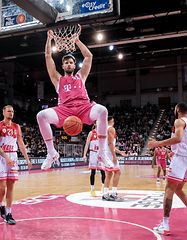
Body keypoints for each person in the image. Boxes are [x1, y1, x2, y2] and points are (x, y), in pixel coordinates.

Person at [37, 26, 110, 170]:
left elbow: (89, 56)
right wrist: (49, 39)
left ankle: (102, 152)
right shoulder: (57, 79)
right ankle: (51, 152)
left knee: (102, 111)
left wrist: (77, 41)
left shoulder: (81, 76)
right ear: (63, 66)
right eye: (66, 62)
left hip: (84, 107)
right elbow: (47, 57)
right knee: (41, 116)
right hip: (64, 110)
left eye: (71, 62)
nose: (69, 64)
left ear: (74, 65)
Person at [148, 102, 187, 236]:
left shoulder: (179, 121)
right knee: (178, 189)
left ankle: (165, 224)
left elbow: (178, 138)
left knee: (168, 189)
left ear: (178, 110)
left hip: (182, 158)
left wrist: (158, 143)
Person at [0, 105, 32, 225]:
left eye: (12, 111)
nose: (11, 113)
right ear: (3, 112)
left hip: (13, 156)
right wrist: (6, 157)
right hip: (1, 157)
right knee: (2, 186)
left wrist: (27, 159)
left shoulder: (16, 127)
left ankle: (9, 213)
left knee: (11, 187)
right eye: (9, 111)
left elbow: (20, 143)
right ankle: (0, 205)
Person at [102, 116, 127, 201]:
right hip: (109, 154)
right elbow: (110, 143)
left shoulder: (104, 129)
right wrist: (114, 156)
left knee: (109, 174)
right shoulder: (111, 129)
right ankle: (113, 193)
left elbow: (109, 145)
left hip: (105, 153)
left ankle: (105, 194)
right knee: (118, 172)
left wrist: (120, 152)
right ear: (112, 121)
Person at [83, 125, 106, 197]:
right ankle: (92, 190)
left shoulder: (103, 132)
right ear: (95, 124)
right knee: (93, 172)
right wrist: (84, 154)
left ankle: (103, 187)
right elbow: (87, 144)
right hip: (93, 153)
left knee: (103, 171)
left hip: (100, 153)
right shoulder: (91, 133)